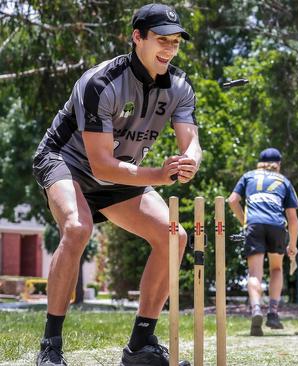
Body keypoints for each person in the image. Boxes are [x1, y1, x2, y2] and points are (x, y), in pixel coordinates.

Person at [32, 4, 199, 365]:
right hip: (67, 162)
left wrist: (190, 161)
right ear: (137, 37)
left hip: (121, 171)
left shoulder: (180, 85)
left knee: (175, 237)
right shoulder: (101, 82)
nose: (169, 49)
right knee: (77, 229)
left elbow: (191, 141)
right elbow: (101, 165)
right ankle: (50, 347)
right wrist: (159, 174)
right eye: (161, 40)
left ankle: (140, 346)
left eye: (175, 42)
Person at [227, 148, 298, 336]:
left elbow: (232, 200)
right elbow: (293, 219)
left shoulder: (248, 176)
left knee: (254, 273)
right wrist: (293, 244)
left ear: (259, 162)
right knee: (276, 268)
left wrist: (244, 220)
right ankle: (273, 313)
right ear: (279, 163)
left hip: (255, 225)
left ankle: (256, 309)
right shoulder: (284, 181)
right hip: (276, 225)